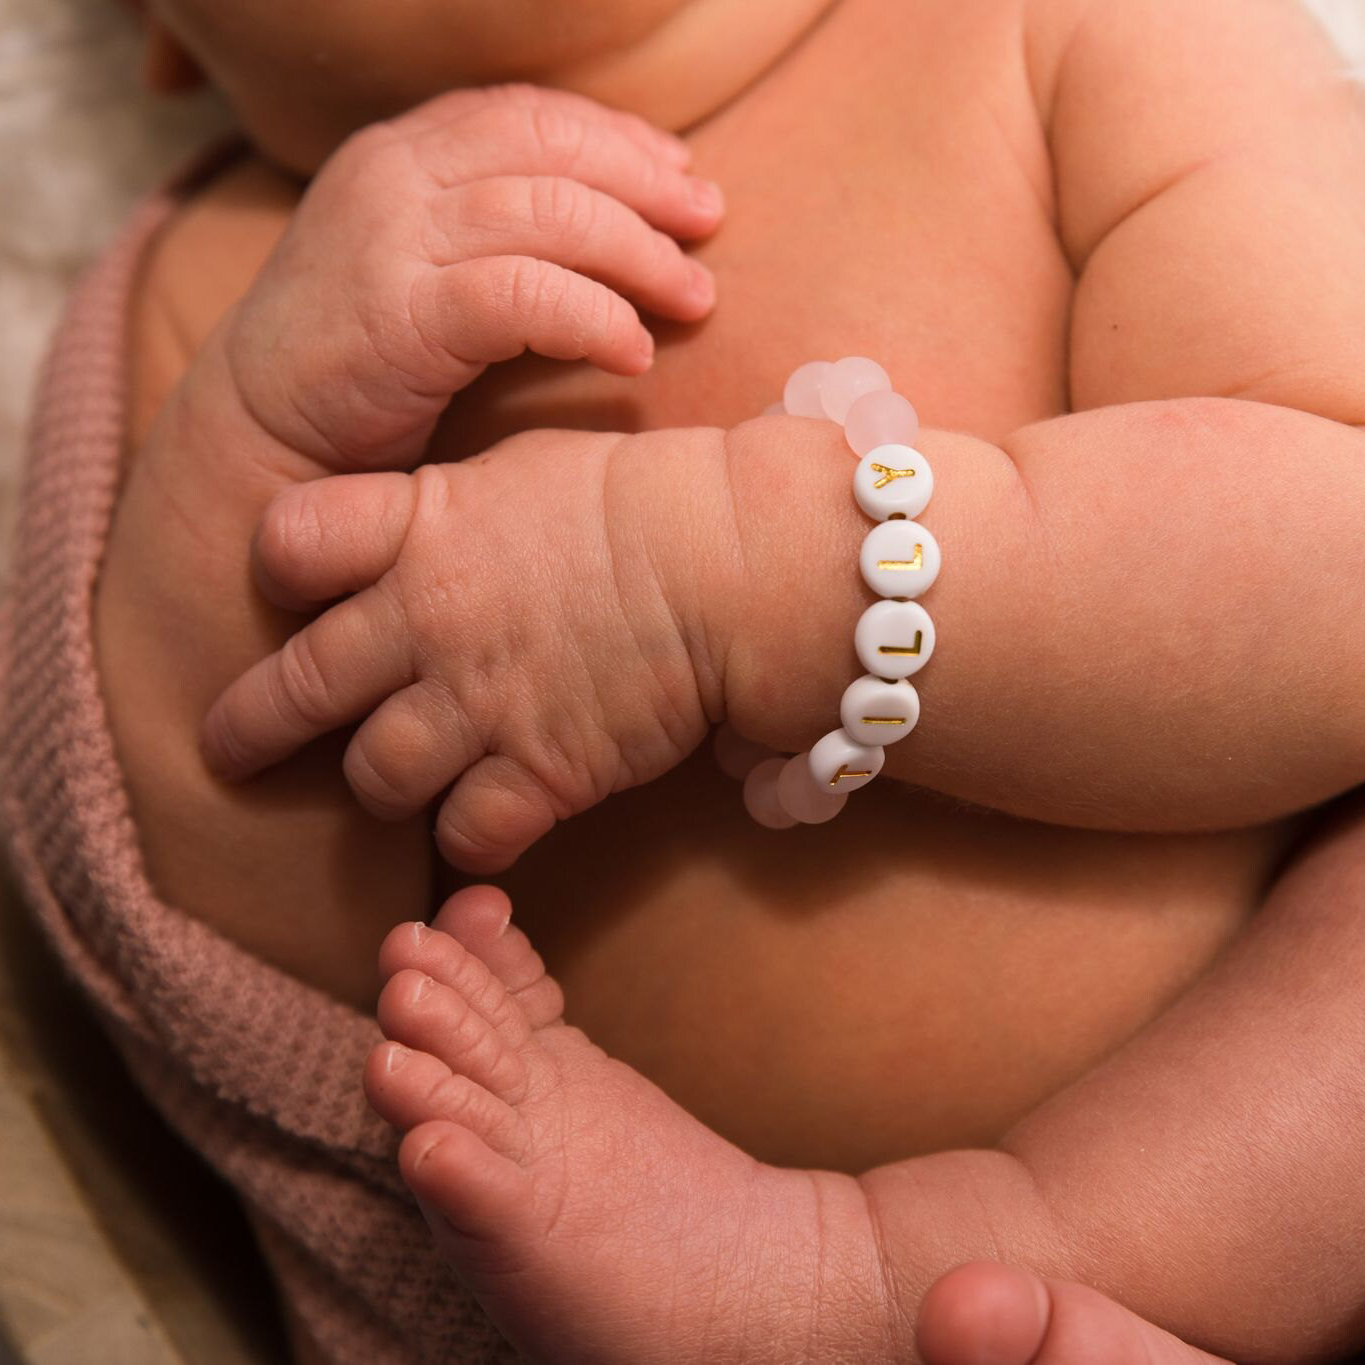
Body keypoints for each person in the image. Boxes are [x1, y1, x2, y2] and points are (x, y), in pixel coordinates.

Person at [4, 0, 1365, 1359]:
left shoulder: (1071, 31)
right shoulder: (230, 292)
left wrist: (744, 578)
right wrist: (260, 427)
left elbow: (1335, 563)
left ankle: (892, 1287)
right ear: (164, 31)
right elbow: (223, 952)